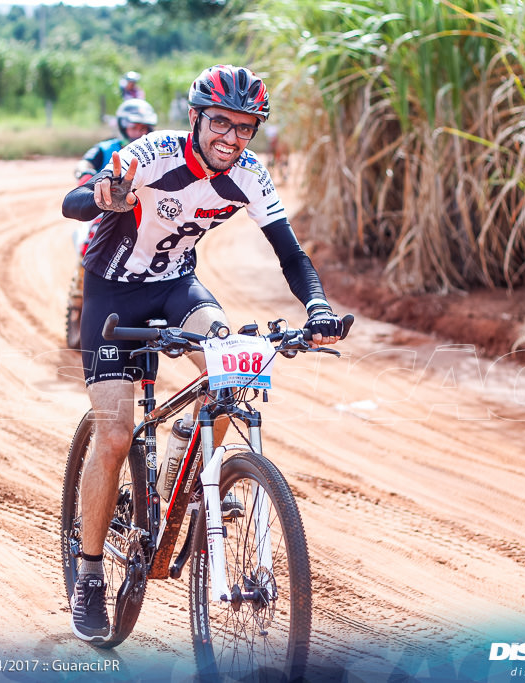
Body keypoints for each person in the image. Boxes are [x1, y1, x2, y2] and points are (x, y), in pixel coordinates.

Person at [61, 64, 345, 641]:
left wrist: (316, 307)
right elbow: (73, 204)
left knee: (231, 367)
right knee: (115, 433)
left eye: (247, 127)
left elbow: (291, 255)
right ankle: (89, 575)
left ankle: (177, 479)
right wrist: (102, 195)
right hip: (112, 293)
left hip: (177, 287)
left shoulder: (249, 174)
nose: (232, 138)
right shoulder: (153, 153)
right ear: (196, 117)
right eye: (222, 123)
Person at [66, 99, 159, 349]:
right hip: (103, 211)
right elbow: (85, 164)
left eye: (145, 128)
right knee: (87, 246)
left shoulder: (155, 152)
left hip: (143, 214)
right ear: (122, 126)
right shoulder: (106, 148)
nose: (141, 132)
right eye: (135, 127)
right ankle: (78, 305)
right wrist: (87, 178)